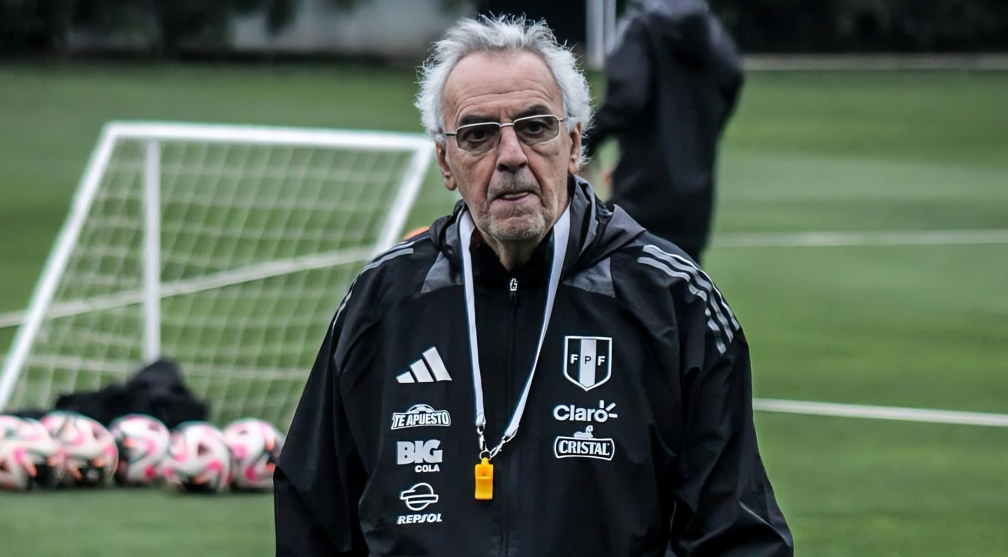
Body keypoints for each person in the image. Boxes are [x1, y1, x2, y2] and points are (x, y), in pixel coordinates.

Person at [274, 15, 792, 557]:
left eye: (535, 126)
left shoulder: (670, 301)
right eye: (477, 135)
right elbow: (314, 518)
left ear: (573, 145)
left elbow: (736, 536)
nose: (512, 156)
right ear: (446, 161)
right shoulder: (384, 303)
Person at [583, 0, 744, 265]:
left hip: (640, 195)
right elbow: (732, 79)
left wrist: (583, 143)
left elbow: (627, 99)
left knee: (628, 292)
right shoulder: (710, 29)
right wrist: (700, 140)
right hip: (694, 203)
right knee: (684, 293)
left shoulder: (642, 28)